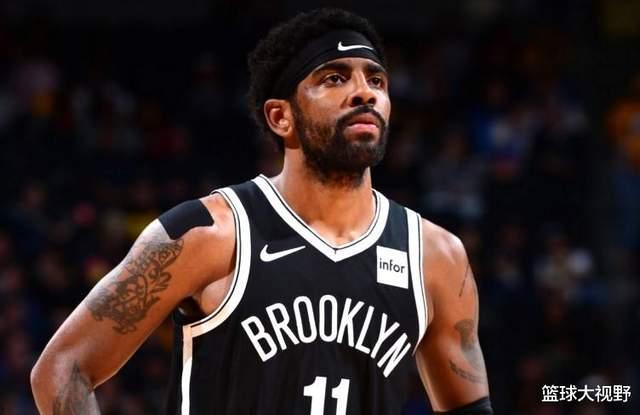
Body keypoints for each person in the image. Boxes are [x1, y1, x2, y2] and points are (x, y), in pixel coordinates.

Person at [31, 8, 493, 415]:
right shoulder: (208, 233)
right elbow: (63, 368)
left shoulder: (436, 257)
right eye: (334, 78)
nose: (364, 93)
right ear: (280, 117)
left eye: (376, 80)